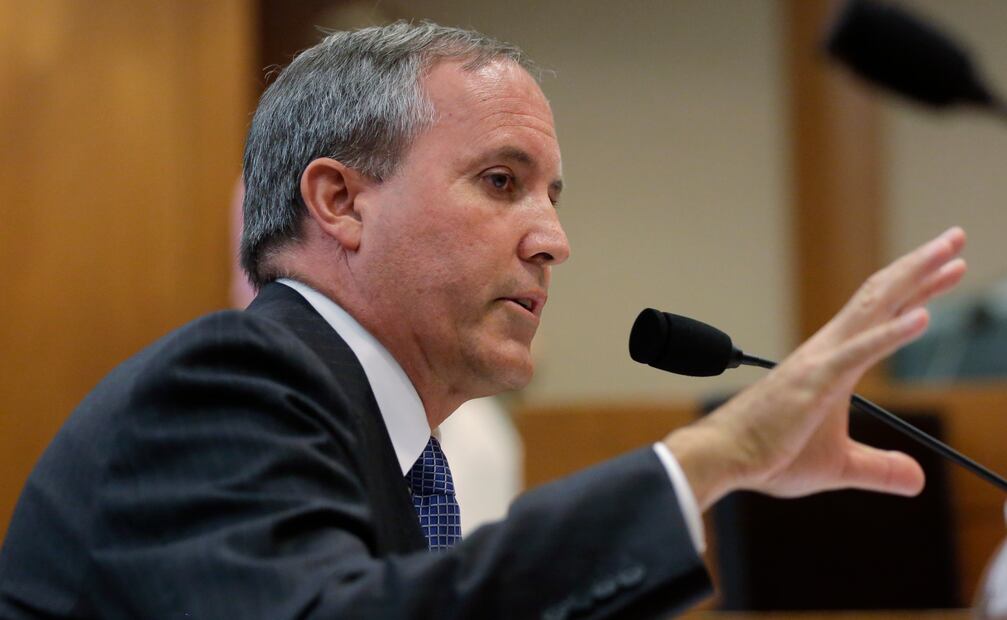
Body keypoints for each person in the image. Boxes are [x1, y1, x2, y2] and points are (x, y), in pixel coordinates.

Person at [0, 21, 967, 619]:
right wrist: (713, 459)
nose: (553, 238)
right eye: (500, 183)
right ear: (339, 201)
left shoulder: (376, 431)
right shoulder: (229, 382)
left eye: (552, 194)